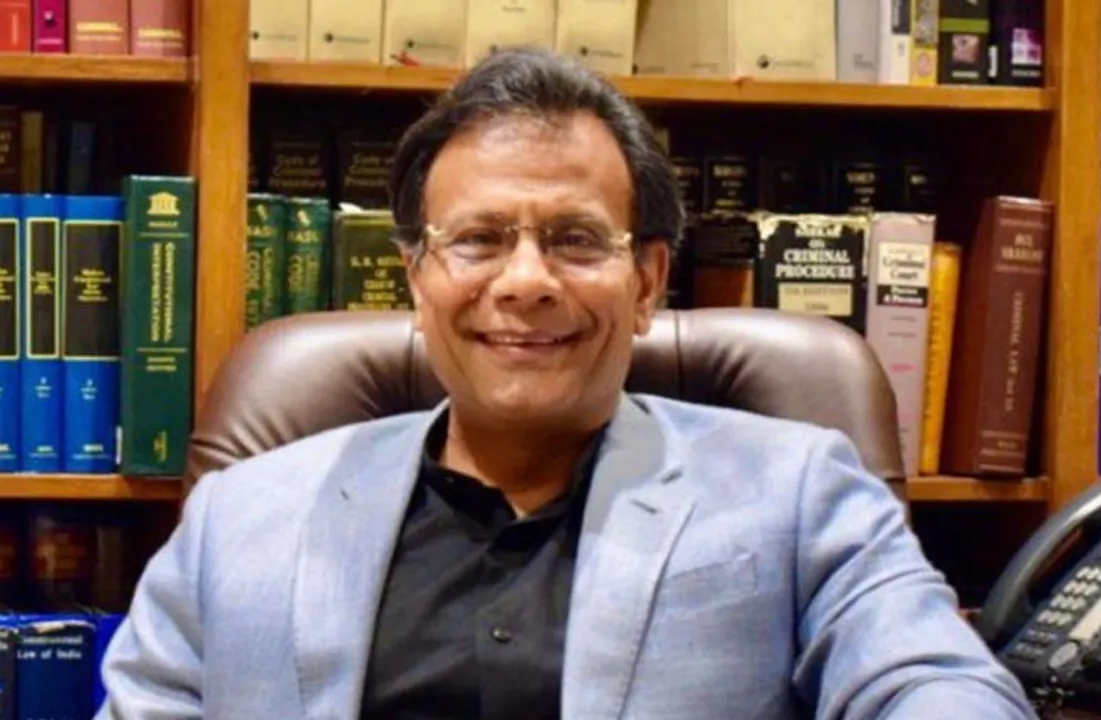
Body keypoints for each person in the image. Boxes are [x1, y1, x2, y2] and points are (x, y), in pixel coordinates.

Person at [96, 47, 1037, 719]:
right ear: (417, 278)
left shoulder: (798, 492)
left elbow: (936, 682)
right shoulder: (240, 518)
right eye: (478, 240)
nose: (525, 281)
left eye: (577, 240)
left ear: (648, 284)